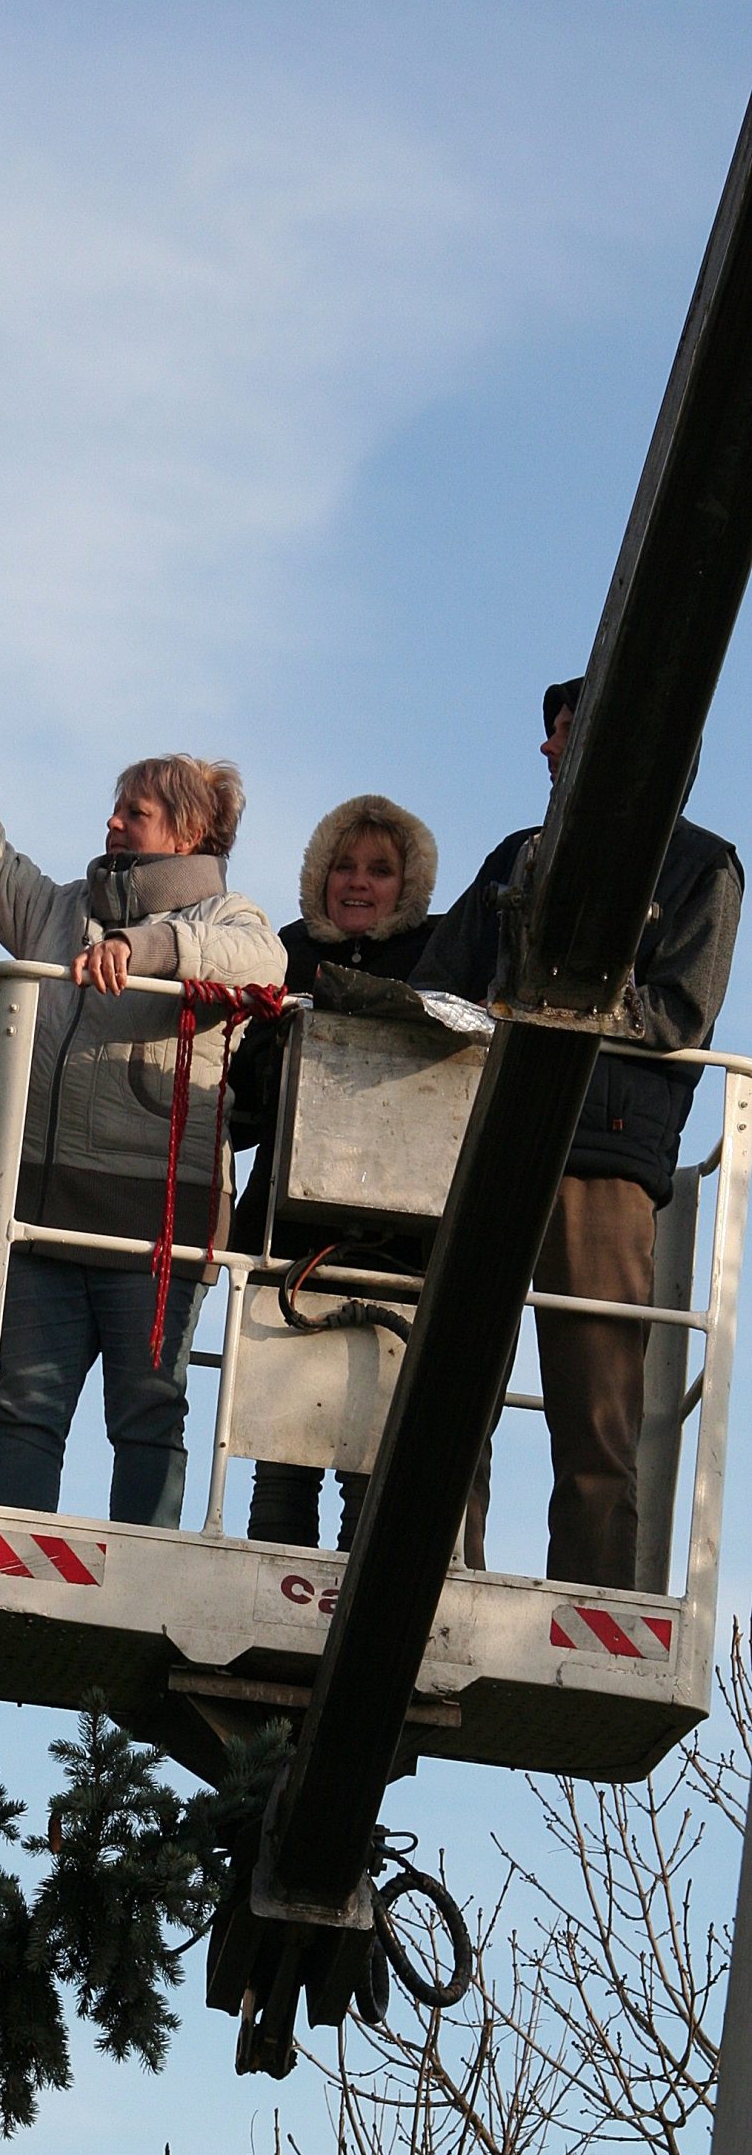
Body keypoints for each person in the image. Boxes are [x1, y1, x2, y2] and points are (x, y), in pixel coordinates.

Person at [0, 651, 285, 1527]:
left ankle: (142, 1575)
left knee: (148, 1418)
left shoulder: (230, 917)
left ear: (189, 836)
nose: (111, 822)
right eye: (117, 807)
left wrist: (146, 953)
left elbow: (260, 964)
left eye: (135, 812)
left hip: (157, 1227)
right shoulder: (58, 908)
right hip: (41, 1213)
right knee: (26, 1416)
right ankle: (9, 1574)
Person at [414, 676, 743, 1587]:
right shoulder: (511, 857)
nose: (550, 750)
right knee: (448, 1399)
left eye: (565, 733)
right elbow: (437, 987)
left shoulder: (701, 864)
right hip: (476, 1148)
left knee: (595, 1417)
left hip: (603, 1157)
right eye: (552, 734)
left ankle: (592, 1612)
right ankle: (436, 1585)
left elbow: (678, 1013)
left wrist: (543, 1000)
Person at [229, 794, 440, 1549]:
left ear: (407, 884)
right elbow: (241, 1104)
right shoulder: (280, 950)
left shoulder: (439, 956)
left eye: (379, 870)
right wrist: (280, 1043)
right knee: (279, 1452)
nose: (358, 883)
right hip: (288, 1235)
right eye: (343, 866)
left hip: (399, 1244)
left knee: (372, 1454)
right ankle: (267, 1599)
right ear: (317, 875)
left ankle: (358, 1632)